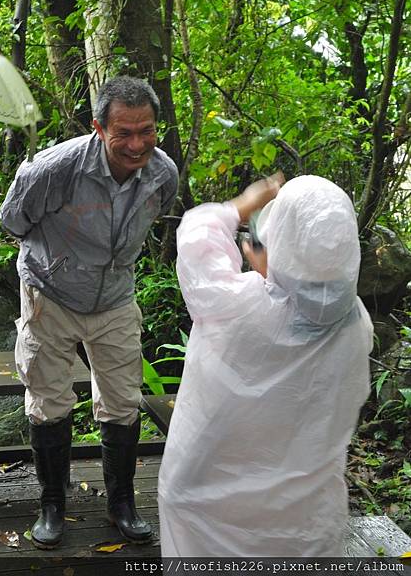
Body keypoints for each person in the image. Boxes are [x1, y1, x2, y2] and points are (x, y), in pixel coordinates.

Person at [0, 76, 178, 549]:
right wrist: (56, 258)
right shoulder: (54, 169)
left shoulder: (163, 174)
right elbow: (12, 220)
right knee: (49, 401)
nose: (136, 144)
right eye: (124, 132)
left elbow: (155, 219)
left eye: (146, 130)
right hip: (49, 294)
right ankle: (52, 503)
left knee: (122, 400)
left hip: (115, 297)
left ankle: (121, 503)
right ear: (99, 127)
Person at [158, 174, 373, 557]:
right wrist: (273, 264)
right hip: (304, 520)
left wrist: (243, 204)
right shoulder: (357, 324)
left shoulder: (236, 310)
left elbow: (196, 241)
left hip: (206, 504)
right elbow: (310, 296)